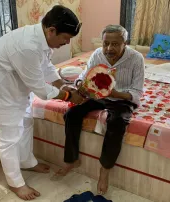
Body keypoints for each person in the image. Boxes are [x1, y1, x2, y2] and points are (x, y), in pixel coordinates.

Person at [0, 5, 84, 201]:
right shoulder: (27, 46)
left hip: (17, 90)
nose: (67, 43)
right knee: (9, 139)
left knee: (26, 124)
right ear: (51, 30)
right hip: (1, 94)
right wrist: (67, 96)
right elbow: (40, 88)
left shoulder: (42, 39)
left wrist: (62, 84)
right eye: (65, 38)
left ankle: (27, 162)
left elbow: (46, 66)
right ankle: (15, 183)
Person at [55, 25, 145, 195]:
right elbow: (84, 76)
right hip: (98, 96)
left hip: (121, 99)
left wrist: (115, 93)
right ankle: (71, 159)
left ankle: (105, 170)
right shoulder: (97, 54)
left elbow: (137, 92)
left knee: (117, 122)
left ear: (125, 43)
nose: (109, 49)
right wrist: (81, 85)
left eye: (115, 44)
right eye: (106, 44)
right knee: (72, 113)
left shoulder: (136, 58)